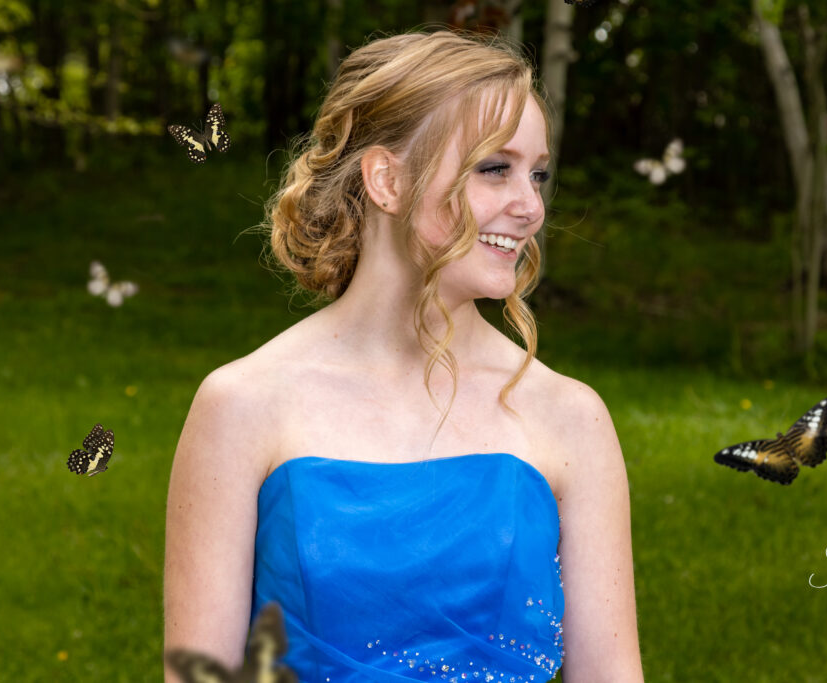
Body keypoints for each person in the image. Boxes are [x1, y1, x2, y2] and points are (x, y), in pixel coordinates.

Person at [164, 30, 643, 683]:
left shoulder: (569, 417)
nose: (530, 206)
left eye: (538, 173)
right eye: (493, 168)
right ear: (387, 179)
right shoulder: (243, 405)